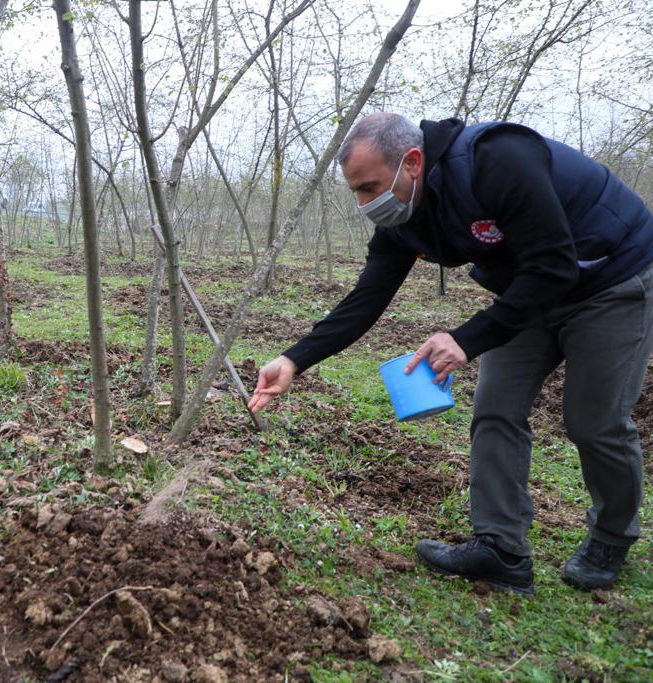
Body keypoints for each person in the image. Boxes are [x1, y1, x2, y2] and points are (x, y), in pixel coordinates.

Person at [248, 112, 653, 595]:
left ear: (412, 162)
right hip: (528, 291)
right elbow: (367, 298)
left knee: (593, 421)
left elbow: (554, 266)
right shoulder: (404, 217)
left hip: (612, 277)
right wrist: (295, 360)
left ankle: (611, 535)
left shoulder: (498, 160)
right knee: (496, 408)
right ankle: (502, 549)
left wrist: (465, 339)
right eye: (355, 191)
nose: (363, 203)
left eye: (369, 186)